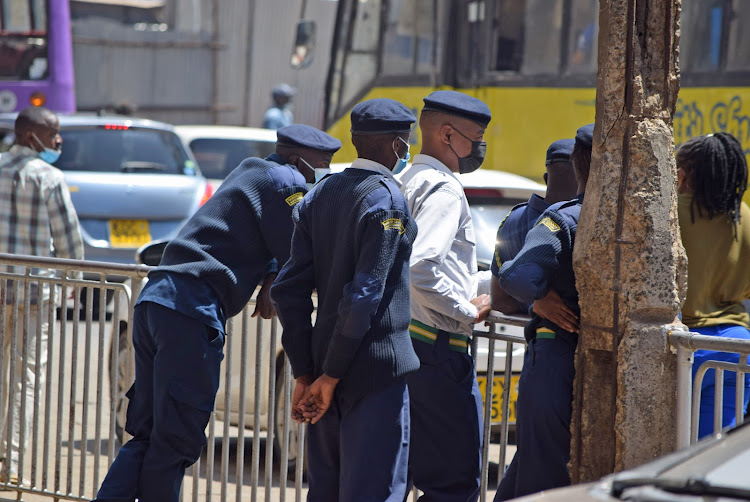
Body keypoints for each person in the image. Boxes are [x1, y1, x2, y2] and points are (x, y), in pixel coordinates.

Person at [93, 124, 341, 502]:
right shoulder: (288, 181)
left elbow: (261, 233)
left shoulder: (252, 171)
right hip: (190, 313)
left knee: (149, 432)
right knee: (176, 439)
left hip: (155, 302)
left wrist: (271, 273)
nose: (320, 177)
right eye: (322, 166)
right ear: (298, 160)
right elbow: (299, 251)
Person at [270, 98, 420, 502]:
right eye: (407, 141)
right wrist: (329, 376)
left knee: (327, 490)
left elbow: (287, 290)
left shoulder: (320, 194)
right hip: (373, 372)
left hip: (322, 371)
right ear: (396, 145)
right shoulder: (387, 200)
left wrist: (307, 371)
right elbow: (365, 295)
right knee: (376, 490)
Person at [397, 90, 493, 501]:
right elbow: (421, 267)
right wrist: (465, 312)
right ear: (448, 135)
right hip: (439, 350)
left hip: (411, 344)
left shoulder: (407, 180)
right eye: (476, 138)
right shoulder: (443, 189)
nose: (480, 148)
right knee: (453, 484)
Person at [494, 123, 593, 501]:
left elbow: (513, 277)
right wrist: (539, 298)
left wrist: (536, 299)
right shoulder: (590, 217)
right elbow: (516, 275)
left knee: (538, 471)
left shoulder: (562, 216)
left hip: (554, 360)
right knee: (542, 474)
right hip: (572, 360)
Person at [0, 106, 83, 484]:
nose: (57, 141)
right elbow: (68, 242)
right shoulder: (50, 177)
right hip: (35, 293)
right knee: (25, 379)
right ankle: (11, 464)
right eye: (53, 135)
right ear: (32, 135)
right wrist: (73, 283)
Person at [676, 132, 750, 439]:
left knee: (665, 458)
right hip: (738, 347)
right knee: (709, 457)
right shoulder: (742, 216)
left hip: (685, 349)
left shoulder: (670, 213)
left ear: (682, 173)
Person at [491, 138, 579, 322]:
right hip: (564, 344)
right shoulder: (576, 225)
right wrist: (539, 303)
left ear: (546, 179)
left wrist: (532, 303)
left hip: (532, 344)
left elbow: (500, 301)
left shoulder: (513, 220)